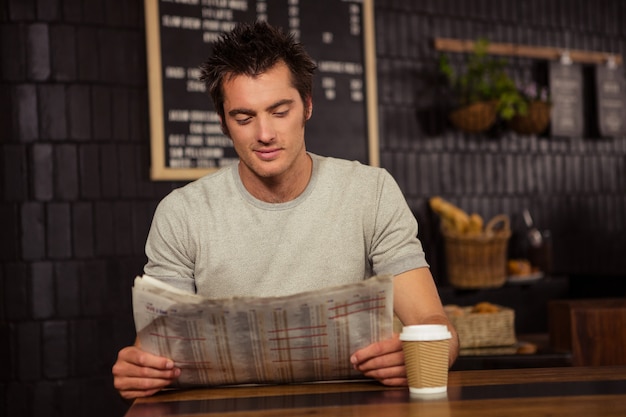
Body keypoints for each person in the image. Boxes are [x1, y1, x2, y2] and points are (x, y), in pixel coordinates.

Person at [112, 21, 458, 399]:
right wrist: (142, 372)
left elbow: (433, 323)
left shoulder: (370, 192)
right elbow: (158, 350)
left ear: (307, 105)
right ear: (224, 123)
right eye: (244, 118)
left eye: (279, 111)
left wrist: (421, 355)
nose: (264, 134)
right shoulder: (181, 213)